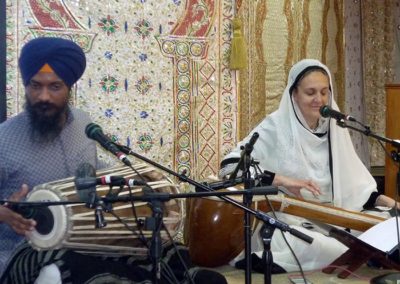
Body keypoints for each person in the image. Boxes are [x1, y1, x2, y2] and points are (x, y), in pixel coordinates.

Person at [0, 37, 227, 284]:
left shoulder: (83, 124)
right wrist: (3, 213)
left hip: (88, 239)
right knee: (82, 270)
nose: (43, 96)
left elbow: (94, 169)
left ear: (69, 88)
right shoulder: (5, 139)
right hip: (27, 250)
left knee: (163, 250)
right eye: (35, 86)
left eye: (55, 87)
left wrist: (136, 182)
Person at [219, 58, 398, 272]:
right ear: (294, 95)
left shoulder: (335, 128)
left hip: (337, 218)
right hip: (293, 221)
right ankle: (368, 255)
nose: (319, 100)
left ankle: (368, 253)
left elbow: (358, 188)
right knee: (317, 246)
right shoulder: (275, 126)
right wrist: (283, 180)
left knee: (393, 224)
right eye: (310, 92)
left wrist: (392, 204)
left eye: (324, 92)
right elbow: (229, 166)